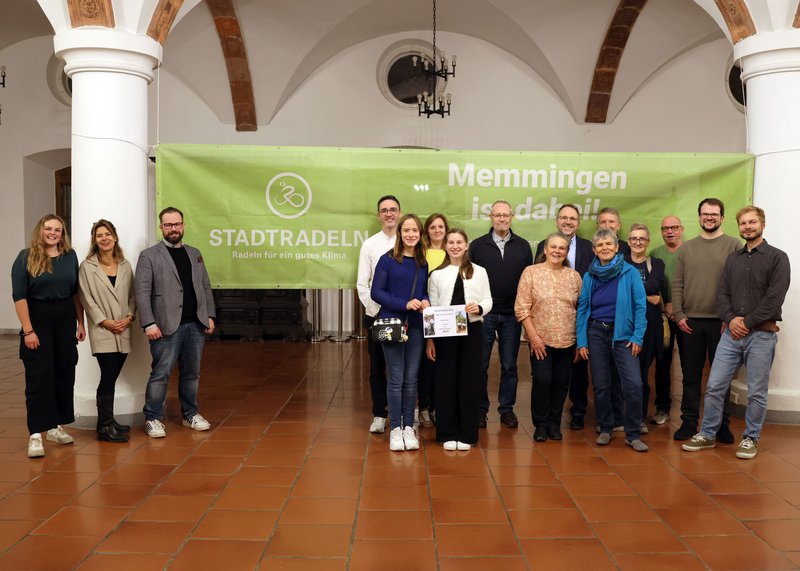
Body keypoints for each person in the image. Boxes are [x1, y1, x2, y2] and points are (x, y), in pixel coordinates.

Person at [682, 207, 790, 459]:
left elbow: (774, 299)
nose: (748, 227)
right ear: (739, 227)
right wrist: (731, 320)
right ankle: (707, 434)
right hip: (731, 335)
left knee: (756, 391)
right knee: (715, 386)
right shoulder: (733, 259)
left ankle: (750, 438)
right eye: (743, 223)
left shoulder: (778, 257)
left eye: (752, 222)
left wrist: (746, 322)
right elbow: (722, 294)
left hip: (761, 335)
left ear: (762, 224)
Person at [135, 206, 216, 439]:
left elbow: (205, 286)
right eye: (169, 224)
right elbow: (142, 292)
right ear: (161, 227)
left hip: (196, 325)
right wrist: (148, 323)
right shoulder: (149, 256)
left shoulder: (195, 253)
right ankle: (152, 418)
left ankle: (190, 414)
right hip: (165, 326)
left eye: (177, 224)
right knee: (160, 374)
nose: (174, 228)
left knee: (192, 374)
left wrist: (209, 315)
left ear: (183, 226)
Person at [11, 214, 86, 458]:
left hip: (65, 318)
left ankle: (54, 426)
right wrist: (28, 330)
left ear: (62, 234)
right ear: (40, 231)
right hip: (38, 318)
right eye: (48, 229)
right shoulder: (25, 257)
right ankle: (35, 434)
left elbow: (75, 292)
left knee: (64, 372)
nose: (53, 233)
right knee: (39, 376)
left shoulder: (70, 256)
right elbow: (19, 297)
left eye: (57, 229)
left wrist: (80, 322)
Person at [671, 198, 740, 442]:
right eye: (705, 213)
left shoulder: (734, 245)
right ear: (699, 217)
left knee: (721, 378)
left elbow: (738, 284)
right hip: (690, 323)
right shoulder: (686, 249)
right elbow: (677, 284)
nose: (709, 217)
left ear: (722, 217)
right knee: (690, 376)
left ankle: (721, 424)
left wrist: (730, 317)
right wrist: (679, 314)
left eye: (714, 214)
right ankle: (689, 422)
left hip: (723, 323)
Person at [576, 229, 648, 452]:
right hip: (596, 333)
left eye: (609, 244)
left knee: (634, 384)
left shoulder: (630, 272)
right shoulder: (589, 275)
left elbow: (640, 306)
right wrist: (582, 341)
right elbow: (583, 308)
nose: (605, 248)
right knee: (601, 384)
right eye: (600, 245)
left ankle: (632, 433)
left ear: (617, 247)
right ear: (594, 250)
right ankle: (606, 427)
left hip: (624, 336)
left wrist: (637, 336)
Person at [469, 200, 533, 429]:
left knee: (509, 365)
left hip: (512, 316)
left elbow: (528, 282)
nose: (502, 219)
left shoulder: (523, 246)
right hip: (484, 315)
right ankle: (480, 410)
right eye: (498, 215)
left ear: (512, 217)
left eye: (506, 215)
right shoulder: (477, 246)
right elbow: (470, 280)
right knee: (480, 364)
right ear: (491, 217)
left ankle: (506, 410)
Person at [427, 228, 492, 450]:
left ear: (466, 245)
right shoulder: (437, 274)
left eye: (459, 242)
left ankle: (467, 434)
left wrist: (479, 307)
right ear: (445, 246)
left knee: (469, 381)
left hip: (472, 331)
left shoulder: (480, 271)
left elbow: (488, 299)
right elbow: (433, 308)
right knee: (445, 381)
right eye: (451, 242)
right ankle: (447, 432)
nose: (455, 246)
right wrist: (430, 340)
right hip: (445, 334)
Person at [371, 214, 429, 451]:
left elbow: (423, 291)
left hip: (415, 326)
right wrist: (404, 303)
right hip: (392, 325)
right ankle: (395, 427)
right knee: (395, 378)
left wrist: (425, 300)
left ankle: (408, 426)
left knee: (411, 378)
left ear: (420, 234)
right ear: (399, 233)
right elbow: (377, 292)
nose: (411, 234)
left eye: (415, 230)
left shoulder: (422, 261)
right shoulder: (387, 260)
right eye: (407, 230)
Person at [517, 232, 582, 442]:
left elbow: (582, 310)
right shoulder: (531, 272)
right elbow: (521, 308)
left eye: (562, 248)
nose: (557, 251)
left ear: (566, 252)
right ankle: (541, 424)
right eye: (553, 247)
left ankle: (554, 423)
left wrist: (580, 341)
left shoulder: (574, 276)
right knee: (542, 380)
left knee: (561, 382)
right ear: (545, 249)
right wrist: (533, 338)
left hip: (568, 340)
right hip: (540, 341)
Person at [535, 203, 593, 430]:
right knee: (546, 377)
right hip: (545, 327)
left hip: (577, 321)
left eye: (573, 218)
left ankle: (577, 411)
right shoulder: (543, 245)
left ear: (578, 223)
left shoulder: (589, 247)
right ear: (557, 220)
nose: (568, 221)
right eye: (564, 218)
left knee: (577, 371)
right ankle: (545, 421)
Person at [78, 219, 136, 443]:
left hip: (123, 327)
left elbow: (132, 295)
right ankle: (104, 426)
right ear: (94, 240)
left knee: (111, 376)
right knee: (108, 375)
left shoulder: (125, 265)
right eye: (99, 235)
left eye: (108, 234)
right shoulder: (87, 266)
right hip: (103, 329)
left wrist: (129, 317)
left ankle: (108, 421)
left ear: (115, 236)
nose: (104, 238)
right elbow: (86, 298)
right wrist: (104, 321)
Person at [356, 195, 401, 434]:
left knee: (404, 366)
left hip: (404, 315)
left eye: (393, 209)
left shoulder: (410, 242)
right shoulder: (370, 245)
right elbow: (362, 284)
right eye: (384, 210)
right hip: (377, 315)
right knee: (378, 366)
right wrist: (377, 311)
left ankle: (403, 412)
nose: (389, 214)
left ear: (400, 213)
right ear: (379, 215)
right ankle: (379, 414)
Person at [625, 223, 666, 426]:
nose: (638, 242)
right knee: (624, 373)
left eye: (642, 239)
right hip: (624, 325)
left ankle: (638, 418)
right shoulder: (619, 262)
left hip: (649, 327)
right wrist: (648, 297)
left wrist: (631, 289)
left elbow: (654, 285)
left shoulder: (656, 263)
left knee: (641, 373)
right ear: (628, 241)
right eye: (634, 238)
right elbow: (617, 287)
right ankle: (622, 415)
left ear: (648, 242)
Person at [649, 215, 684, 424]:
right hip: (663, 316)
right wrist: (666, 306)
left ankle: (689, 412)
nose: (669, 231)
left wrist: (677, 307)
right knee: (662, 363)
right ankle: (662, 408)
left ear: (681, 229)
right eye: (665, 228)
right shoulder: (655, 254)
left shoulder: (689, 251)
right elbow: (653, 285)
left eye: (674, 227)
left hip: (686, 316)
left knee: (689, 365)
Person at [418, 213, 449, 428]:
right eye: (433, 227)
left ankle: (439, 406)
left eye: (441, 227)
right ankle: (424, 407)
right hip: (426, 313)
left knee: (443, 363)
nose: (437, 230)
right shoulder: (421, 253)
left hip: (448, 315)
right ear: (427, 231)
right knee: (426, 363)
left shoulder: (453, 251)